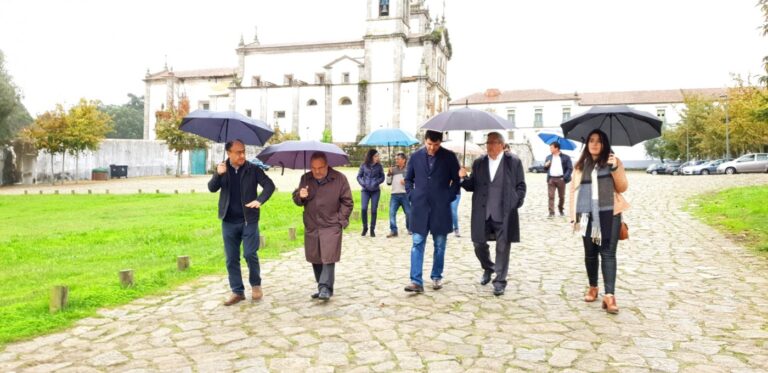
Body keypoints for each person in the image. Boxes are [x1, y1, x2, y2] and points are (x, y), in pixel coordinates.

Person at [208, 139, 275, 306]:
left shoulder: (253, 169)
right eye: (238, 152)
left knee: (250, 254)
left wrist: (259, 200)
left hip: (248, 220)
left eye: (243, 151)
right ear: (229, 153)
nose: (242, 155)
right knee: (231, 258)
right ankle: (237, 291)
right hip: (228, 221)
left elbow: (269, 186)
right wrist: (218, 174)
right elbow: (212, 188)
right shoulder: (222, 169)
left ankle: (256, 284)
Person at [568, 129, 628, 314]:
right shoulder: (580, 166)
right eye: (591, 140)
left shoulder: (613, 161)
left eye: (599, 141)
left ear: (604, 145)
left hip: (610, 213)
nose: (594, 144)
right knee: (590, 254)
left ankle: (609, 296)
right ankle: (593, 287)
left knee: (608, 253)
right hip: (586, 214)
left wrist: (615, 168)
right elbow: (573, 191)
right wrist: (573, 217)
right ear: (587, 144)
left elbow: (622, 187)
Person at [459, 132, 526, 296]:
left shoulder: (514, 162)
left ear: (502, 145)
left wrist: (515, 202)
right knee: (478, 244)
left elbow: (521, 185)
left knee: (503, 246)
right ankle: (489, 267)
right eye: (488, 142)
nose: (489, 146)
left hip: (504, 212)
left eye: (493, 142)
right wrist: (463, 177)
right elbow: (472, 185)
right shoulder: (479, 163)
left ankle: (500, 282)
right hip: (483, 211)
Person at [404, 130, 460, 293]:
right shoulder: (415, 157)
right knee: (417, 243)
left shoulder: (449, 157)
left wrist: (448, 197)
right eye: (429, 144)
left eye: (436, 145)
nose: (432, 148)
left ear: (440, 142)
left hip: (440, 208)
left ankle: (436, 275)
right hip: (420, 207)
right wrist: (412, 195)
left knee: (440, 245)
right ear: (425, 141)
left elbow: (456, 181)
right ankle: (416, 281)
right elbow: (408, 179)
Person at [293, 152, 353, 301]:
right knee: (315, 257)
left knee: (328, 256)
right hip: (312, 224)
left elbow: (347, 202)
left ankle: (325, 287)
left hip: (331, 223)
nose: (317, 171)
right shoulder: (305, 178)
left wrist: (340, 220)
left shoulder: (339, 179)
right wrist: (300, 196)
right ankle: (322, 287)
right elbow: (297, 200)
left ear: (327, 165)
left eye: (320, 168)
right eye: (313, 168)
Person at [357, 149, 385, 237]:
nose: (377, 157)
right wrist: (363, 184)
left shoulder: (379, 166)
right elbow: (359, 176)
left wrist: (376, 182)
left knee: (373, 210)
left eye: (378, 156)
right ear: (371, 157)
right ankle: (365, 227)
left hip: (375, 191)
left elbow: (382, 177)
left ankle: (372, 229)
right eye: (376, 156)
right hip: (365, 190)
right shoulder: (363, 165)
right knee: (363, 208)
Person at [544, 141, 574, 217]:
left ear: (557, 148)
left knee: (561, 197)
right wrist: (546, 165)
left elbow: (570, 168)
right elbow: (545, 169)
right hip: (551, 179)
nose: (550, 149)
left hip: (561, 179)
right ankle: (551, 212)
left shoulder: (566, 157)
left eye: (551, 148)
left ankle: (561, 210)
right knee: (551, 196)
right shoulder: (548, 157)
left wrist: (564, 178)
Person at [386, 152, 411, 238]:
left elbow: (413, 182)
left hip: (405, 195)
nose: (396, 160)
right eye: (396, 159)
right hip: (394, 195)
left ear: (404, 160)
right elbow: (388, 183)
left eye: (398, 159)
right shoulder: (392, 169)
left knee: (408, 213)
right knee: (391, 213)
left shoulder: (408, 170)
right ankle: (393, 231)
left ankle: (410, 228)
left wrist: (406, 182)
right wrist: (389, 174)